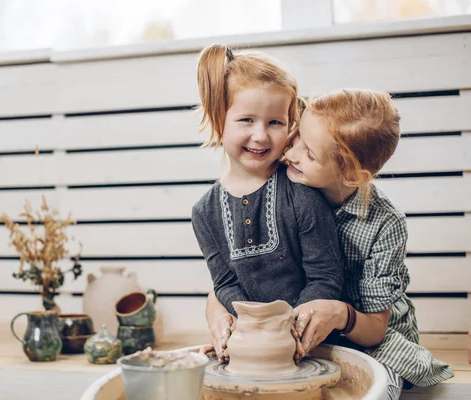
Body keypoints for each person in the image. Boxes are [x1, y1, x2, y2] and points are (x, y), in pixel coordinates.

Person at [207, 89, 453, 399]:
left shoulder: (385, 223)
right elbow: (239, 270)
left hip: (366, 333)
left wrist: (339, 314)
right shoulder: (278, 186)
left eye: (309, 153)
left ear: (352, 176)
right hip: (295, 329)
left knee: (373, 389)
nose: (291, 153)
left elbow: (376, 328)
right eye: (296, 137)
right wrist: (215, 307)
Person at [192, 44, 344, 362]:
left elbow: (325, 277)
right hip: (250, 347)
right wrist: (238, 329)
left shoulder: (302, 195)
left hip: (310, 345)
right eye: (246, 120)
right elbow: (225, 284)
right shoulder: (204, 213)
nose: (261, 136)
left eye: (275, 122)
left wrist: (291, 332)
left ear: (291, 123)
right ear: (218, 118)